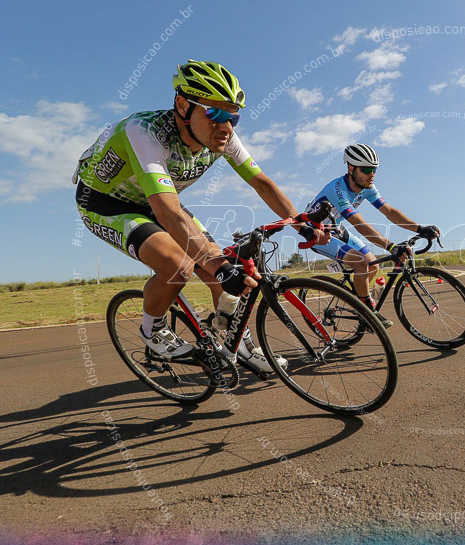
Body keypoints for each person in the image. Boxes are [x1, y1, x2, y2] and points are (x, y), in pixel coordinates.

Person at [73, 59, 329, 370]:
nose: (226, 126)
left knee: (224, 271)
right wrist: (216, 264)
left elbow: (260, 182)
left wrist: (301, 224)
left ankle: (241, 345)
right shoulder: (144, 132)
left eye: (233, 117)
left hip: (158, 201)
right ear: (182, 105)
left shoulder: (223, 136)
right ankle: (152, 328)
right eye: (215, 113)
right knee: (179, 265)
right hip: (105, 203)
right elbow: (167, 212)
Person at [303, 143, 440, 327]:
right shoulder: (337, 190)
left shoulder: (368, 187)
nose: (372, 174)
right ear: (351, 168)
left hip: (336, 230)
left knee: (373, 265)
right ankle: (368, 314)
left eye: (374, 169)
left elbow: (389, 211)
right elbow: (360, 224)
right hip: (316, 233)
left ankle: (358, 302)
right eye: (367, 169)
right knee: (361, 263)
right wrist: (391, 246)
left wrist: (419, 228)